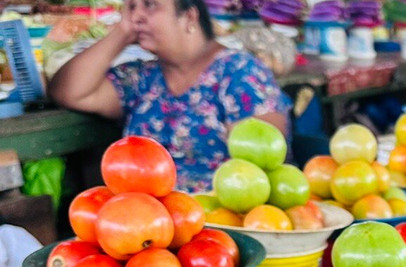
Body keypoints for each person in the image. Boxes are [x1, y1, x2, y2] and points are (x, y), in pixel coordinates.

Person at [49, 0, 289, 193]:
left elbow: (261, 166)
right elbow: (68, 92)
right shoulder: (141, 79)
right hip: (147, 222)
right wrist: (122, 32)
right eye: (131, 7)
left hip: (218, 223)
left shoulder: (239, 73)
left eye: (150, 5)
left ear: (189, 17)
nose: (137, 16)